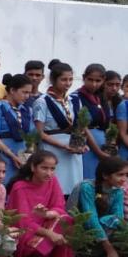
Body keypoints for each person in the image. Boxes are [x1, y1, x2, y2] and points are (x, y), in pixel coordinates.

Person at [6, 151, 74, 257]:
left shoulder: (53, 181)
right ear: (33, 167)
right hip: (25, 233)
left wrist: (47, 214)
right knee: (45, 241)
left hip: (45, 226)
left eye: (52, 169)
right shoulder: (20, 187)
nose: (49, 173)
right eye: (44, 168)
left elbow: (59, 206)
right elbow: (23, 222)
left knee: (65, 219)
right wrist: (50, 234)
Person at [33, 60, 84, 195]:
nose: (68, 83)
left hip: (72, 149)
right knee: (55, 184)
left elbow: (80, 126)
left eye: (70, 79)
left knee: (73, 187)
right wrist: (62, 146)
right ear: (53, 80)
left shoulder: (73, 100)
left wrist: (82, 144)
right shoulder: (42, 102)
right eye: (63, 80)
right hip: (53, 148)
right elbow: (39, 133)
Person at [74, 156, 128, 257]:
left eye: (126, 175)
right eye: (120, 175)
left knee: (117, 221)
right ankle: (83, 254)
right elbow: (90, 218)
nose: (124, 179)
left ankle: (101, 255)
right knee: (107, 220)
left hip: (102, 231)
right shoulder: (88, 187)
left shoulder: (117, 191)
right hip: (81, 229)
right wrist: (110, 249)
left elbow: (119, 218)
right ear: (105, 175)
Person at [71, 63, 114, 181]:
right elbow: (83, 126)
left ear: (103, 80)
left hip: (102, 143)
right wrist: (98, 152)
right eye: (90, 80)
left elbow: (107, 123)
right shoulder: (76, 97)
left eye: (98, 81)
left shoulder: (101, 97)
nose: (94, 84)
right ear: (84, 77)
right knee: (88, 178)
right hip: (88, 145)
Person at [0, 74, 34, 180]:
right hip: (4, 155)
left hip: (22, 156)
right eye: (24, 92)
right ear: (12, 90)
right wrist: (13, 156)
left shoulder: (27, 110)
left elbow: (31, 135)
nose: (27, 96)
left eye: (29, 93)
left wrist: (28, 155)